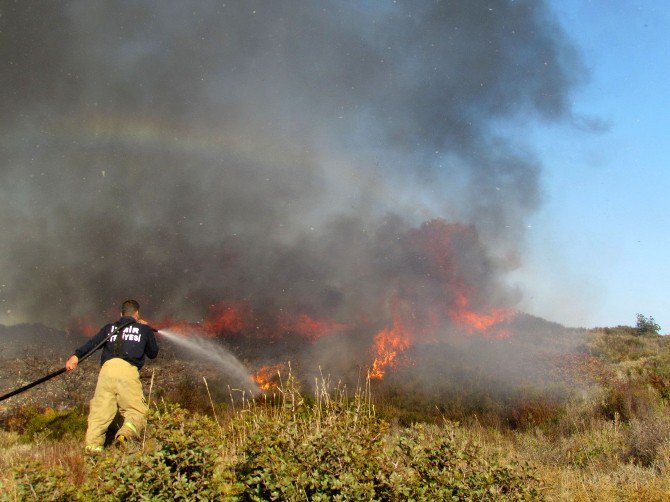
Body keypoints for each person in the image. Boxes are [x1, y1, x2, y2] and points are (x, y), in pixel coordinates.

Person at [66, 299, 159, 452]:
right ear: (137, 314)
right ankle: (125, 435)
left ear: (121, 314)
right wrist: (146, 330)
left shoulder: (110, 328)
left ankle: (92, 449)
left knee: (100, 412)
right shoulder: (143, 329)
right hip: (127, 371)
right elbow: (153, 353)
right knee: (136, 411)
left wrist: (76, 356)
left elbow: (92, 343)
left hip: (106, 372)